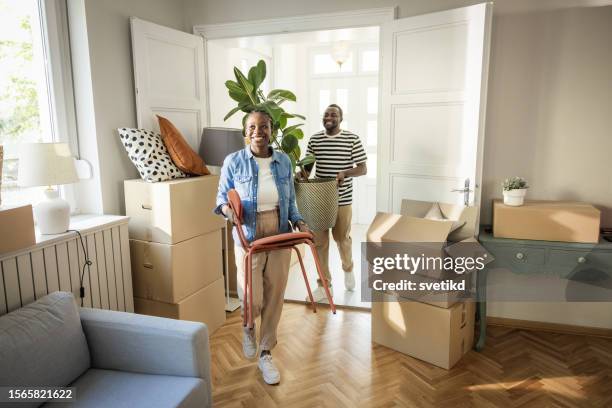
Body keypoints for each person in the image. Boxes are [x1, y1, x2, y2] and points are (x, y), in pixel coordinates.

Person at [215, 110, 310, 385]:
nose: (259, 131)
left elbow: (290, 201)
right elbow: (222, 197)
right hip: (249, 237)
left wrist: (300, 222)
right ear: (246, 132)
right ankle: (248, 327)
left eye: (264, 126)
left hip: (279, 234)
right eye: (253, 127)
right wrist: (227, 211)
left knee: (275, 296)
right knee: (251, 298)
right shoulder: (233, 161)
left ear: (272, 131)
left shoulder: (283, 161)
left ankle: (266, 353)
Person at [297, 104, 367, 301]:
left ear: (341, 118)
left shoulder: (351, 139)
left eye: (334, 114)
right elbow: (307, 170)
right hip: (319, 199)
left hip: (342, 199)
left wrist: (345, 173)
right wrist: (298, 175)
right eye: (326, 114)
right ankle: (324, 285)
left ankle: (348, 269)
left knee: (342, 239)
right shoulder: (315, 140)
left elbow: (362, 168)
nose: (329, 117)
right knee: (319, 243)